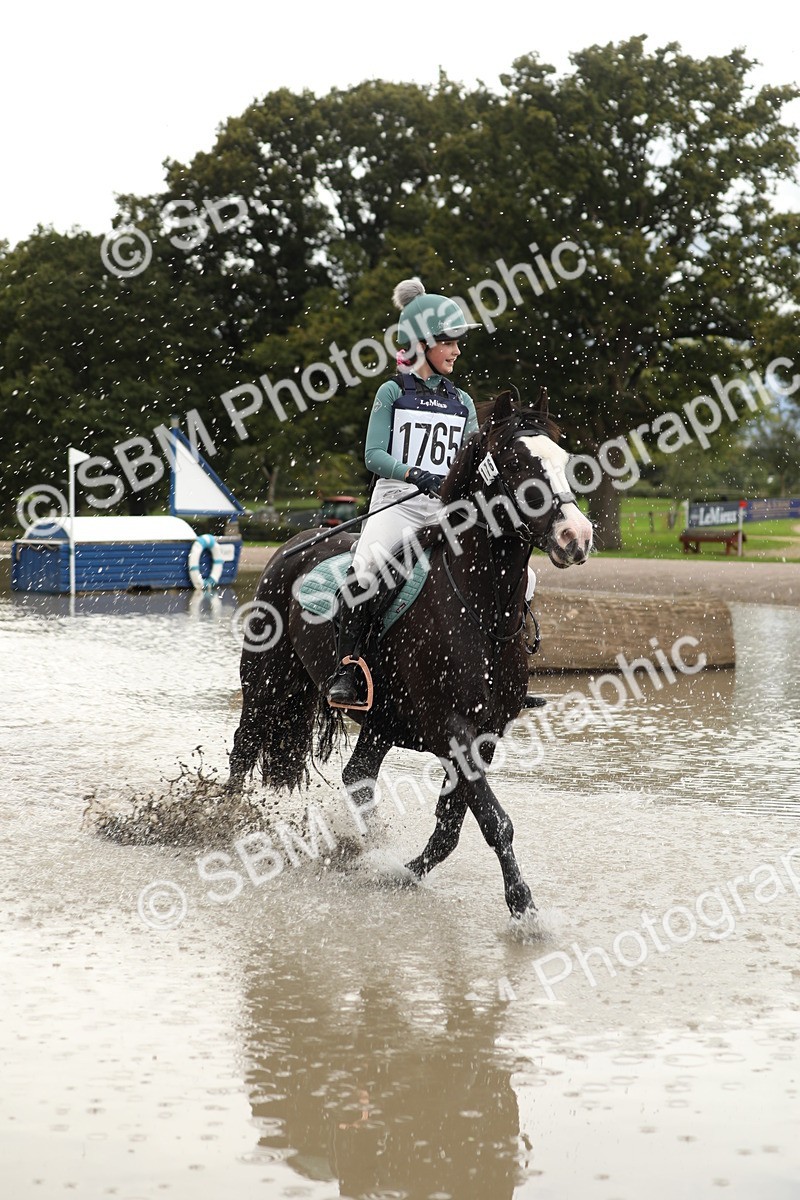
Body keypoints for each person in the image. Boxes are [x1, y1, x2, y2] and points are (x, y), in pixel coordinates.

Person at [326, 277, 482, 708]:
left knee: (509, 574)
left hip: (443, 510)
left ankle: (495, 672)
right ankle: (348, 668)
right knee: (367, 571)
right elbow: (373, 454)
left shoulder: (463, 400)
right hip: (397, 502)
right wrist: (418, 474)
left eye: (457, 342)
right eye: (448, 342)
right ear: (421, 343)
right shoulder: (392, 391)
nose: (455, 350)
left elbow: (468, 462)